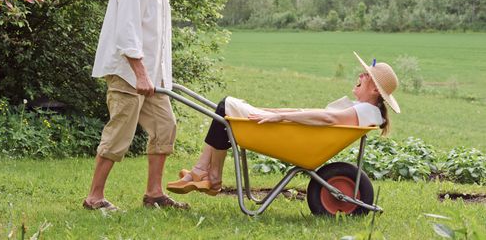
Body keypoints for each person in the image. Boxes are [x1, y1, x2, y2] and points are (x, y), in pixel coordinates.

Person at [166, 52, 401, 196]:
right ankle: (208, 175)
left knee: (225, 106)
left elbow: (328, 119)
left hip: (298, 139)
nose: (360, 76)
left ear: (374, 89)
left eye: (366, 75)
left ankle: (206, 174)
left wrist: (280, 118)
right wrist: (275, 111)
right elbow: (316, 113)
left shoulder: (364, 110)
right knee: (225, 112)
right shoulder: (368, 111)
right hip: (299, 136)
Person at [83, 0, 194, 211]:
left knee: (165, 126)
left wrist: (157, 76)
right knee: (120, 133)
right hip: (126, 73)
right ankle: (94, 198)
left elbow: (155, 36)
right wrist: (140, 73)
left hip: (150, 77)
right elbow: (127, 32)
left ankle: (154, 194)